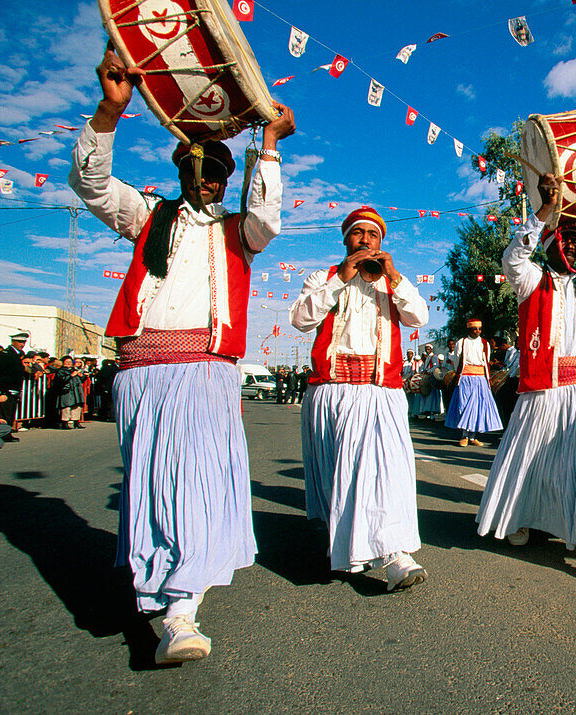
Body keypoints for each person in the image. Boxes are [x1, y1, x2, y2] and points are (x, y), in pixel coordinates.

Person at [68, 47, 295, 664]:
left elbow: (270, 216)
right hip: (143, 372)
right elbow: (90, 184)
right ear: (180, 173)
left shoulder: (240, 230)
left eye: (219, 172)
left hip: (205, 373)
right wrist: (110, 112)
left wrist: (269, 144)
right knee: (150, 487)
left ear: (228, 178)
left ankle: (180, 611)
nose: (207, 180)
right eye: (197, 170)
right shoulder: (148, 217)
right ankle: (158, 593)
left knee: (193, 486)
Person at [478, 173, 576, 591]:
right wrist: (544, 214)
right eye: (563, 241)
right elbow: (512, 260)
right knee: (531, 462)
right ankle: (521, 517)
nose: (571, 246)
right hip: (543, 388)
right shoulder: (532, 281)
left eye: (575, 241)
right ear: (548, 247)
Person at [290, 206, 430, 591]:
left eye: (373, 235)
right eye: (358, 234)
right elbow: (301, 319)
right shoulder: (324, 277)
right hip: (333, 392)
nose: (366, 240)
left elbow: (420, 317)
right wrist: (341, 278)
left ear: (382, 243)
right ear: (346, 240)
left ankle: (395, 554)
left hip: (380, 393)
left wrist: (395, 277)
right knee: (346, 477)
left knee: (388, 473)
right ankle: (348, 547)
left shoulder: (393, 283)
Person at [445, 320, 503, 446]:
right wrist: (459, 373)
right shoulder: (462, 342)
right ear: (469, 329)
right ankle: (464, 436)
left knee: (477, 407)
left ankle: (472, 437)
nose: (478, 331)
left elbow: (486, 360)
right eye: (475, 329)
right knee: (464, 406)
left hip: (481, 377)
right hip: (466, 376)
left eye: (480, 329)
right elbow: (457, 359)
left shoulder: (484, 343)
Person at [0, 331, 28, 430]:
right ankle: (3, 432)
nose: (22, 345)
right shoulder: (4, 354)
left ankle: (7, 431)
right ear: (13, 342)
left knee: (10, 413)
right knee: (4, 414)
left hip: (12, 389)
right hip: (5, 389)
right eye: (19, 342)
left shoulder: (16, 355)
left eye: (23, 342)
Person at [55, 356, 86, 429]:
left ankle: (76, 421)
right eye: (67, 362)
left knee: (76, 405)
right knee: (66, 406)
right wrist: (71, 375)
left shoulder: (74, 369)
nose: (69, 363)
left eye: (70, 362)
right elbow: (61, 380)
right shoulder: (61, 371)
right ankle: (65, 422)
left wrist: (82, 376)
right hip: (67, 390)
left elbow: (82, 380)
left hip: (76, 390)